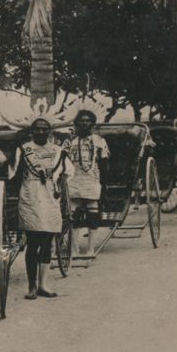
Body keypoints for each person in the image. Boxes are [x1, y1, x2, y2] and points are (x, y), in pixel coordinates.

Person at [11, 117, 73, 300]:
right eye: (37, 129)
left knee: (47, 242)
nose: (40, 132)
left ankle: (42, 285)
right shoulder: (23, 149)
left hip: (50, 198)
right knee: (33, 242)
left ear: (49, 131)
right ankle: (31, 286)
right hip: (30, 197)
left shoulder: (58, 151)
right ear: (31, 131)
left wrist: (59, 186)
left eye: (44, 129)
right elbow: (12, 173)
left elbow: (67, 172)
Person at [62, 110, 110, 256]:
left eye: (87, 120)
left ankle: (90, 249)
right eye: (81, 121)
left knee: (92, 216)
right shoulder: (69, 141)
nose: (84, 123)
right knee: (73, 216)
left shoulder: (99, 141)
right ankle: (74, 249)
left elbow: (104, 163)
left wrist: (104, 184)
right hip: (74, 180)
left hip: (92, 180)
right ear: (76, 124)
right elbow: (62, 161)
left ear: (92, 124)